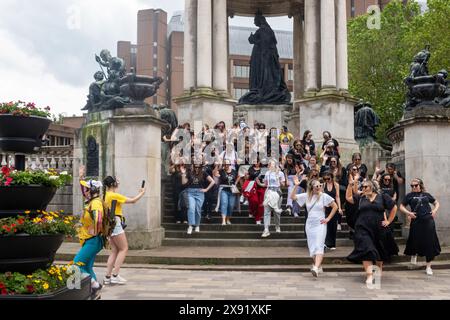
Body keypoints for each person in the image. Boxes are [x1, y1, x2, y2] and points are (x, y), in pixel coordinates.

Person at [346, 179, 399, 286]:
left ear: (373, 187)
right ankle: (369, 275)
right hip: (362, 228)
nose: (363, 189)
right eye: (363, 187)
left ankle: (378, 271)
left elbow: (394, 207)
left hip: (378, 229)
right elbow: (348, 198)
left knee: (379, 251)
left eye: (366, 187)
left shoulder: (382, 197)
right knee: (367, 249)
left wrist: (388, 221)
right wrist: (350, 185)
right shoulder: (360, 198)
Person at [102, 176, 145, 285]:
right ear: (112, 185)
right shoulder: (114, 195)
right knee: (124, 248)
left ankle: (108, 276)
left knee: (115, 250)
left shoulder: (105, 195)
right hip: (115, 223)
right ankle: (115, 275)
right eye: (116, 183)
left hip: (108, 224)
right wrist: (142, 193)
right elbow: (133, 200)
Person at [291, 177, 338, 277]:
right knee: (312, 248)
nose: (319, 187)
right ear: (311, 187)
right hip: (310, 225)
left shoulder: (324, 196)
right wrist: (296, 185)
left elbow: (335, 206)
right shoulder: (307, 196)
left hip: (320, 223)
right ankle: (318, 266)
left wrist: (328, 218)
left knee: (319, 245)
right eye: (316, 185)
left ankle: (315, 268)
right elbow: (293, 197)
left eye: (320, 185)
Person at [400, 178, 441, 276]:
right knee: (415, 239)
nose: (413, 187)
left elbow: (436, 203)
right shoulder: (409, 196)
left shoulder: (427, 195)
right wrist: (409, 213)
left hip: (428, 221)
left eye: (415, 185)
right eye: (412, 186)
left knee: (429, 242)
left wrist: (434, 211)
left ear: (420, 185)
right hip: (416, 221)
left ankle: (428, 266)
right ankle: (414, 254)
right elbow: (401, 206)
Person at [75, 166, 105, 299]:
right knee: (87, 267)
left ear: (91, 191)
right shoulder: (92, 200)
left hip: (93, 240)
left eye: (86, 190)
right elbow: (83, 188)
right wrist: (81, 177)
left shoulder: (96, 203)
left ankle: (94, 286)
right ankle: (94, 292)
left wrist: (95, 229)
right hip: (90, 240)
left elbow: (98, 218)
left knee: (76, 266)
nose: (84, 192)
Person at [181, 164, 216, 234]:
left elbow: (213, 181)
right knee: (191, 208)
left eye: (198, 167)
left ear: (200, 167)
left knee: (198, 209)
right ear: (193, 166)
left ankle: (197, 225)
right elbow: (183, 182)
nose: (197, 168)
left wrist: (206, 189)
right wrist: (183, 174)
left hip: (200, 193)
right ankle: (190, 225)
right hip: (190, 192)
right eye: (195, 167)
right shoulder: (190, 172)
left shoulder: (203, 173)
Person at [261, 159, 286, 237]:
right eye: (269, 164)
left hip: (277, 192)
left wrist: (278, 178)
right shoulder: (267, 173)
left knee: (276, 212)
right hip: (268, 192)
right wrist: (258, 183)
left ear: (275, 165)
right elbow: (265, 184)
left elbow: (283, 184)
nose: (269, 165)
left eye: (271, 164)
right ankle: (266, 229)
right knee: (266, 212)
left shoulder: (280, 173)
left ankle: (277, 226)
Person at [322, 171, 343, 250]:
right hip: (326, 207)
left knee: (333, 225)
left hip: (334, 207)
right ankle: (326, 243)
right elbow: (322, 197)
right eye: (325, 179)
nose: (327, 180)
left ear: (331, 177)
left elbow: (337, 197)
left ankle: (332, 244)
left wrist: (340, 207)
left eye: (328, 178)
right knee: (326, 225)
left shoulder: (336, 185)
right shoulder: (323, 185)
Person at [218, 160, 241, 226]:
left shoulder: (234, 171)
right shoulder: (221, 171)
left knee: (231, 205)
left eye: (228, 164)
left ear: (230, 164)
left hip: (232, 190)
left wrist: (235, 183)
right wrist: (217, 166)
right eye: (225, 164)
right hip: (224, 190)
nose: (226, 165)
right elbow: (214, 173)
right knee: (224, 204)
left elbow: (239, 176)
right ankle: (223, 220)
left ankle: (228, 218)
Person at [244, 158, 265, 224]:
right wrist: (246, 176)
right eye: (255, 161)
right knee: (254, 201)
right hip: (252, 188)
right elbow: (247, 178)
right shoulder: (250, 169)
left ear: (259, 162)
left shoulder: (263, 169)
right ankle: (252, 211)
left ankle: (258, 218)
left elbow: (265, 179)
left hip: (261, 187)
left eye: (257, 161)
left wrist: (262, 183)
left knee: (260, 204)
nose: (256, 163)